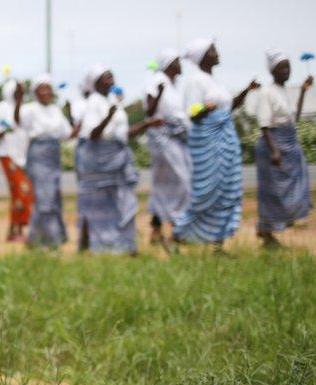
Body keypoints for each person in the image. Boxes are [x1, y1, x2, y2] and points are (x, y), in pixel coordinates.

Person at [176, 39, 259, 251]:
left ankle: (218, 244)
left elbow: (229, 106)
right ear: (203, 56)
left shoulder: (214, 82)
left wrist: (247, 90)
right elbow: (192, 113)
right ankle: (180, 235)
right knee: (205, 192)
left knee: (227, 190)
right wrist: (205, 108)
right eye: (213, 50)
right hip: (207, 143)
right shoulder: (196, 81)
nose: (217, 52)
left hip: (225, 141)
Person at [77, 65, 163, 255]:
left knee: (124, 202)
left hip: (118, 160)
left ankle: (126, 245)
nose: (112, 80)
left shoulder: (111, 102)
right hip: (100, 161)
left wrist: (147, 124)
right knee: (100, 207)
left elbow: (123, 133)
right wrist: (109, 114)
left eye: (112, 76)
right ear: (96, 82)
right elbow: (93, 133)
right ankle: (101, 247)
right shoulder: (94, 102)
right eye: (107, 77)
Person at [254, 49, 314, 248]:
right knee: (273, 191)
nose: (286, 70)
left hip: (288, 142)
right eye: (281, 67)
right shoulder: (267, 91)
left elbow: (293, 119)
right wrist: (274, 151)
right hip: (273, 144)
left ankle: (270, 231)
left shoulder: (283, 92)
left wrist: (303, 91)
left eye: (288, 66)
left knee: (292, 188)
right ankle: (267, 234)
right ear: (272, 71)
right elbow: (264, 124)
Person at [15, 74, 72, 249]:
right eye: (42, 89)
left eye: (49, 88)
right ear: (35, 92)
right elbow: (18, 121)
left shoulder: (55, 110)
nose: (46, 92)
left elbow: (67, 133)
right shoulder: (30, 109)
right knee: (43, 197)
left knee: (53, 197)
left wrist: (72, 116)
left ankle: (45, 238)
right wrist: (19, 100)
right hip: (38, 155)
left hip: (53, 154)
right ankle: (43, 241)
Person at [144, 49, 193, 247]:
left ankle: (156, 230)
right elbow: (149, 110)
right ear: (169, 64)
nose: (180, 64)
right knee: (182, 182)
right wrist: (160, 91)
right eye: (177, 61)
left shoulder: (175, 84)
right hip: (163, 138)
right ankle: (177, 228)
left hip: (178, 137)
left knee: (163, 184)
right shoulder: (157, 80)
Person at [0, 79, 33, 242]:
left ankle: (15, 230)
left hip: (23, 156)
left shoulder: (26, 108)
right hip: (7, 154)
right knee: (22, 191)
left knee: (21, 193)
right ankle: (17, 231)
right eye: (16, 91)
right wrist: (5, 130)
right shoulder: (1, 108)